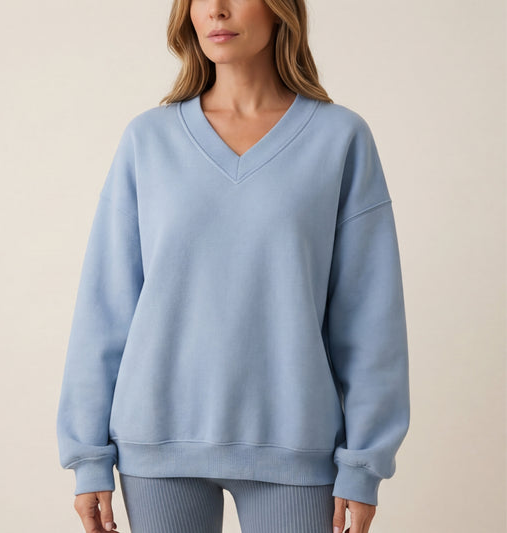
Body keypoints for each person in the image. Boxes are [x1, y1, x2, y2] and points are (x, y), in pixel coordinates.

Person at [56, 0, 411, 532]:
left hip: (296, 444)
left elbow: (370, 316)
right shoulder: (148, 139)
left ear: (280, 10)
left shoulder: (340, 138)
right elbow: (105, 305)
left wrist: (364, 463)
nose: (217, 10)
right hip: (156, 444)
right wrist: (88, 456)